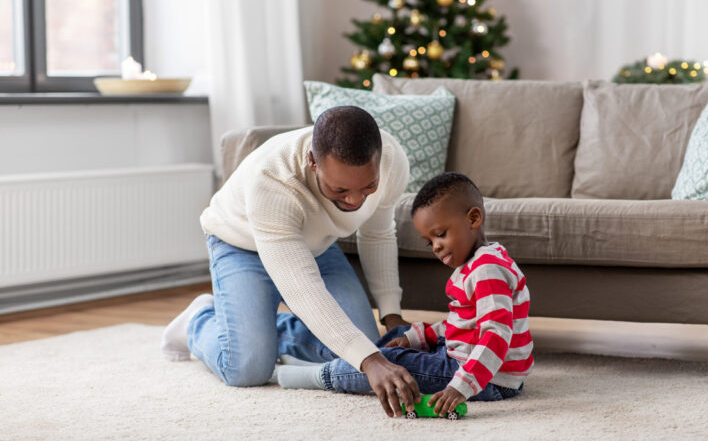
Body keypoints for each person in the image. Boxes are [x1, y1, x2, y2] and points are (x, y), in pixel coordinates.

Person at [160, 106, 421, 418]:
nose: (354, 200)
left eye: (367, 187)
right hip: (241, 245)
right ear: (312, 161)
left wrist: (392, 314)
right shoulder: (273, 178)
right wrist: (371, 360)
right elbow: (302, 288)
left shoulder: (392, 160)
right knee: (247, 369)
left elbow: (378, 235)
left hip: (315, 246)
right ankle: (199, 319)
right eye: (339, 189)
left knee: (365, 344)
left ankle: (257, 330)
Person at [277, 172, 534, 416]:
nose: (436, 247)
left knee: (391, 362)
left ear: (474, 218)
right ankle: (341, 361)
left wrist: (461, 386)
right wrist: (418, 337)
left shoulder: (487, 270)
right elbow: (465, 323)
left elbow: (495, 333)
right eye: (429, 242)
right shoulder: (482, 262)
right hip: (469, 357)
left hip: (489, 379)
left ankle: (316, 376)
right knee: (399, 338)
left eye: (441, 234)